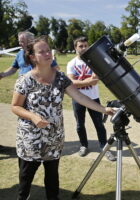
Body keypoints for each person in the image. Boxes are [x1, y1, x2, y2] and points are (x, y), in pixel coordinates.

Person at [11, 37, 115, 200]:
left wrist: (104, 109)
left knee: (52, 178)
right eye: (42, 51)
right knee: (25, 178)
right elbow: (15, 106)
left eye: (48, 50)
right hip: (30, 140)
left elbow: (80, 97)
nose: (47, 53)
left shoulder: (60, 78)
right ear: (32, 57)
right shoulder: (25, 80)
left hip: (54, 138)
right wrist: (32, 116)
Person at [66, 36, 116, 161]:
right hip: (78, 99)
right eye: (80, 46)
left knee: (99, 124)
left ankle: (104, 147)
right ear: (75, 48)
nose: (83, 48)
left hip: (94, 98)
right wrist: (86, 81)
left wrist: (79, 82)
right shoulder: (71, 63)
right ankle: (83, 145)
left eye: (85, 45)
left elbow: (94, 81)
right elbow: (71, 83)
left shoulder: (93, 61)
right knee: (80, 125)